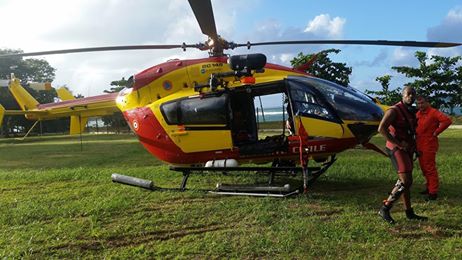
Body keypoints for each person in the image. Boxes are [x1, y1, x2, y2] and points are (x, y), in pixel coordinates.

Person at [377, 86, 427, 224]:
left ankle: (409, 212)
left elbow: (411, 131)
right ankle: (385, 208)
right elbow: (381, 128)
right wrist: (398, 143)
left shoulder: (410, 111)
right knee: (406, 180)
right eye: (408, 94)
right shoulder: (394, 110)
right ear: (403, 95)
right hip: (396, 148)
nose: (411, 96)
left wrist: (415, 148)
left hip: (408, 148)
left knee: (407, 182)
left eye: (413, 94)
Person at [416, 96, 452, 200]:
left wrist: (436, 132)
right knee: (423, 168)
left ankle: (433, 192)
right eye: (418, 104)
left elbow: (447, 121)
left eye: (422, 103)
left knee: (429, 168)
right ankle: (428, 187)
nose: (420, 105)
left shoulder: (433, 112)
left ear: (428, 102)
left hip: (429, 144)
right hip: (419, 144)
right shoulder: (418, 114)